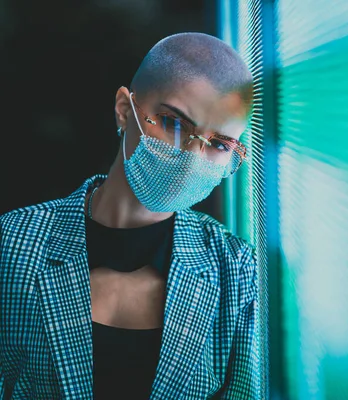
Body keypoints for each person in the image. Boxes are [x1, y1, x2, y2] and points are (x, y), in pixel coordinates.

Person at [0, 32, 261, 399]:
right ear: (125, 110)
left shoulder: (236, 269)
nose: (190, 161)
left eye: (218, 145)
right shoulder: (13, 244)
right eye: (174, 123)